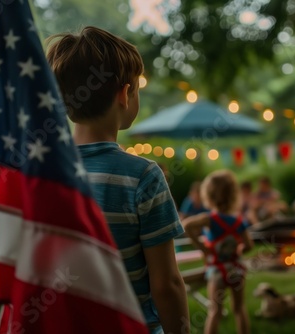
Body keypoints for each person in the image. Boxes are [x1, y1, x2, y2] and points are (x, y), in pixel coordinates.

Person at [47, 26, 189, 334]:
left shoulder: (43, 176)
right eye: (137, 88)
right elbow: (167, 284)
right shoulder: (143, 176)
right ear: (125, 95)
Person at [183, 170, 253, 334]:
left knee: (215, 312)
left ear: (208, 195)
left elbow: (186, 225)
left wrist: (204, 248)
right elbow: (249, 246)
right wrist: (239, 249)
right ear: (234, 194)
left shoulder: (210, 219)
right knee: (239, 309)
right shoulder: (238, 221)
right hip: (236, 269)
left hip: (217, 272)